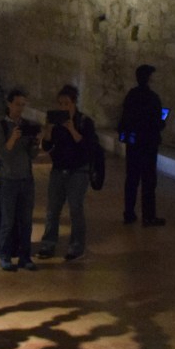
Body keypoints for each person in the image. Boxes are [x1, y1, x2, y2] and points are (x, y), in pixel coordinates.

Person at [37, 85, 98, 262]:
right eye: (60, 104)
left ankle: (77, 247)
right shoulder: (56, 123)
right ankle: (48, 244)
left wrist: (72, 129)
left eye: (67, 103)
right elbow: (47, 146)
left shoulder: (85, 122)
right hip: (58, 170)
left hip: (78, 171)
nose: (63, 107)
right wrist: (48, 129)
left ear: (74, 103)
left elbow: (87, 147)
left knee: (75, 209)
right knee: (52, 209)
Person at [0, 87, 39, 272]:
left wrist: (35, 143)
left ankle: (25, 256)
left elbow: (32, 155)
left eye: (23, 105)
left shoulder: (27, 125)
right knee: (8, 221)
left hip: (26, 179)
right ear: (9, 104)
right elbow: (2, 154)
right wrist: (13, 138)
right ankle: (4, 256)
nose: (20, 108)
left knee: (26, 221)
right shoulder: (0, 127)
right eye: (18, 104)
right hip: (9, 179)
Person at [118, 64, 166, 227]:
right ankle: (148, 216)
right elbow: (157, 124)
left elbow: (125, 118)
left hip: (133, 143)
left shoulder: (131, 95)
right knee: (148, 181)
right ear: (149, 78)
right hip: (148, 145)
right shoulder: (153, 98)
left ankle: (129, 213)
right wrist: (162, 123)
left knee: (131, 179)